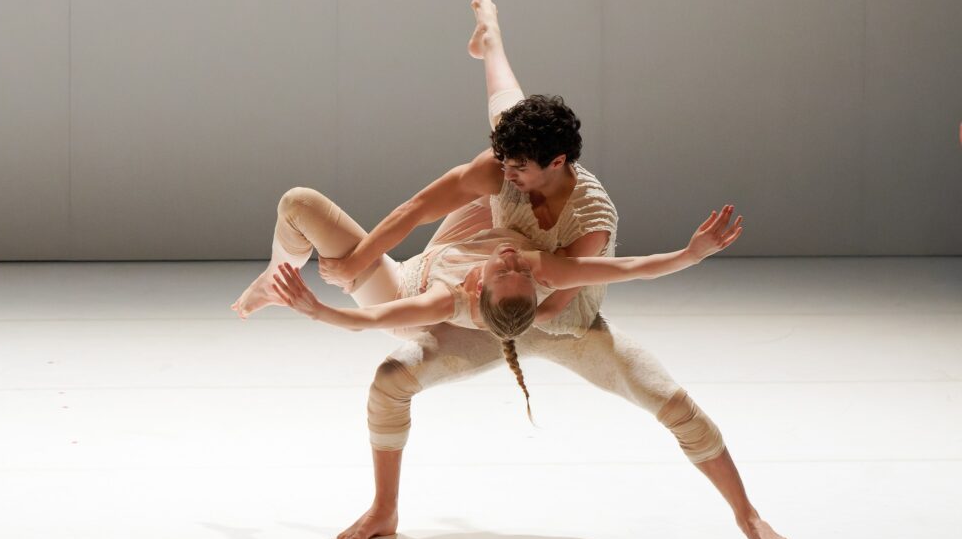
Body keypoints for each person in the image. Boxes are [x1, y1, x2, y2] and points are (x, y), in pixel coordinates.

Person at [232, 0, 789, 539]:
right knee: (380, 352)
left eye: (518, 167)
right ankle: (384, 507)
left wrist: (687, 256)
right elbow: (418, 208)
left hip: (556, 320)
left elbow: (586, 287)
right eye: (504, 162)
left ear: (558, 163)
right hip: (476, 291)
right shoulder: (509, 164)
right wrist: (358, 263)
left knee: (670, 402)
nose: (506, 173)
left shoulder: (587, 223)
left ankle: (748, 516)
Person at [268, 210, 742, 426]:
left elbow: (372, 319)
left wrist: (317, 310)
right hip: (431, 262)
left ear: (477, 286)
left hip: (399, 291)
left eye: (507, 269)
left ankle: (274, 279)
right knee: (492, 173)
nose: (514, 259)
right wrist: (690, 254)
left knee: (299, 202)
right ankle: (272, 273)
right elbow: (634, 268)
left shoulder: (449, 299)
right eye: (519, 270)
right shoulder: (537, 266)